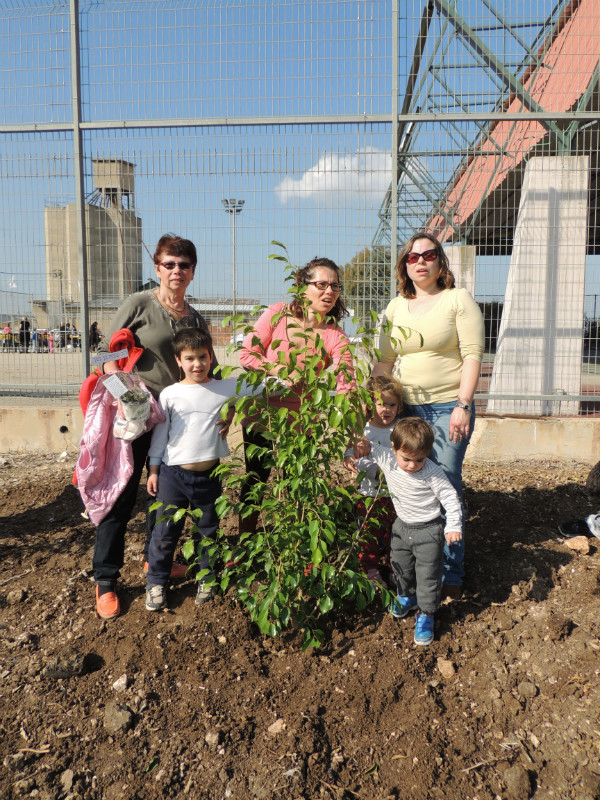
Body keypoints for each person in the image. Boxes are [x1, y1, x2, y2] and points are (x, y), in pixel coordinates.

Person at [92, 233, 222, 621]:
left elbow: (206, 371)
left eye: (183, 265)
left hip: (178, 421)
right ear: (157, 268)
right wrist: (124, 396)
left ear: (193, 271)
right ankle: (106, 580)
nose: (176, 271)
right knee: (121, 496)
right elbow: (103, 357)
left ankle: (154, 566)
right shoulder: (139, 304)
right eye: (169, 264)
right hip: (136, 417)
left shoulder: (196, 318)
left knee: (162, 498)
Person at [372, 232, 484, 599]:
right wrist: (372, 408)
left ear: (440, 262)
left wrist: (463, 405)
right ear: (405, 265)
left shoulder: (457, 300)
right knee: (402, 481)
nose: (420, 261)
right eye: (412, 256)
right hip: (403, 409)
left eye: (429, 254)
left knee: (445, 483)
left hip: (444, 407)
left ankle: (450, 570)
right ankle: (407, 564)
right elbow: (385, 362)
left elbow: (471, 355)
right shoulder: (395, 307)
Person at [145, 328, 282, 612]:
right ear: (178, 360)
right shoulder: (170, 394)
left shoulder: (224, 387)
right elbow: (160, 436)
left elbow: (263, 386)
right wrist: (154, 470)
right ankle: (156, 581)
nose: (197, 364)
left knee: (208, 530)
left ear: (211, 358)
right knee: (165, 531)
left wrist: (284, 375)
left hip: (210, 476)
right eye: (190, 358)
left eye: (203, 357)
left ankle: (206, 577)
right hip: (173, 475)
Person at [238, 256, 356, 533]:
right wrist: (278, 369)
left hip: (302, 417)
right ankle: (245, 542)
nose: (329, 292)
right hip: (262, 412)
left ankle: (291, 543)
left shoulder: (335, 336)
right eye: (322, 284)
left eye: (335, 287)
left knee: (298, 482)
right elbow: (246, 353)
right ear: (303, 288)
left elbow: (346, 383)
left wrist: (353, 435)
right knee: (257, 478)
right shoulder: (279, 314)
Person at [353, 417, 462, 646]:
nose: (412, 465)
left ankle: (426, 613)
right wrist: (361, 445)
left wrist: (453, 525)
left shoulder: (432, 472)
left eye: (419, 459)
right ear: (394, 448)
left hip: (428, 531)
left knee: (428, 574)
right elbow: (372, 448)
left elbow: (451, 498)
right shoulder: (389, 459)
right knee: (399, 563)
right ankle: (407, 596)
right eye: (407, 459)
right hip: (401, 527)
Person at [344, 375, 403, 587]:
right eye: (380, 404)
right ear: (371, 404)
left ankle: (395, 569)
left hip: (396, 495)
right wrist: (348, 458)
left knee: (395, 536)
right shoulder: (364, 429)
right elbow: (352, 450)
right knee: (368, 534)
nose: (386, 409)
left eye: (391, 404)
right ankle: (370, 569)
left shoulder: (401, 429)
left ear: (399, 405)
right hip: (369, 494)